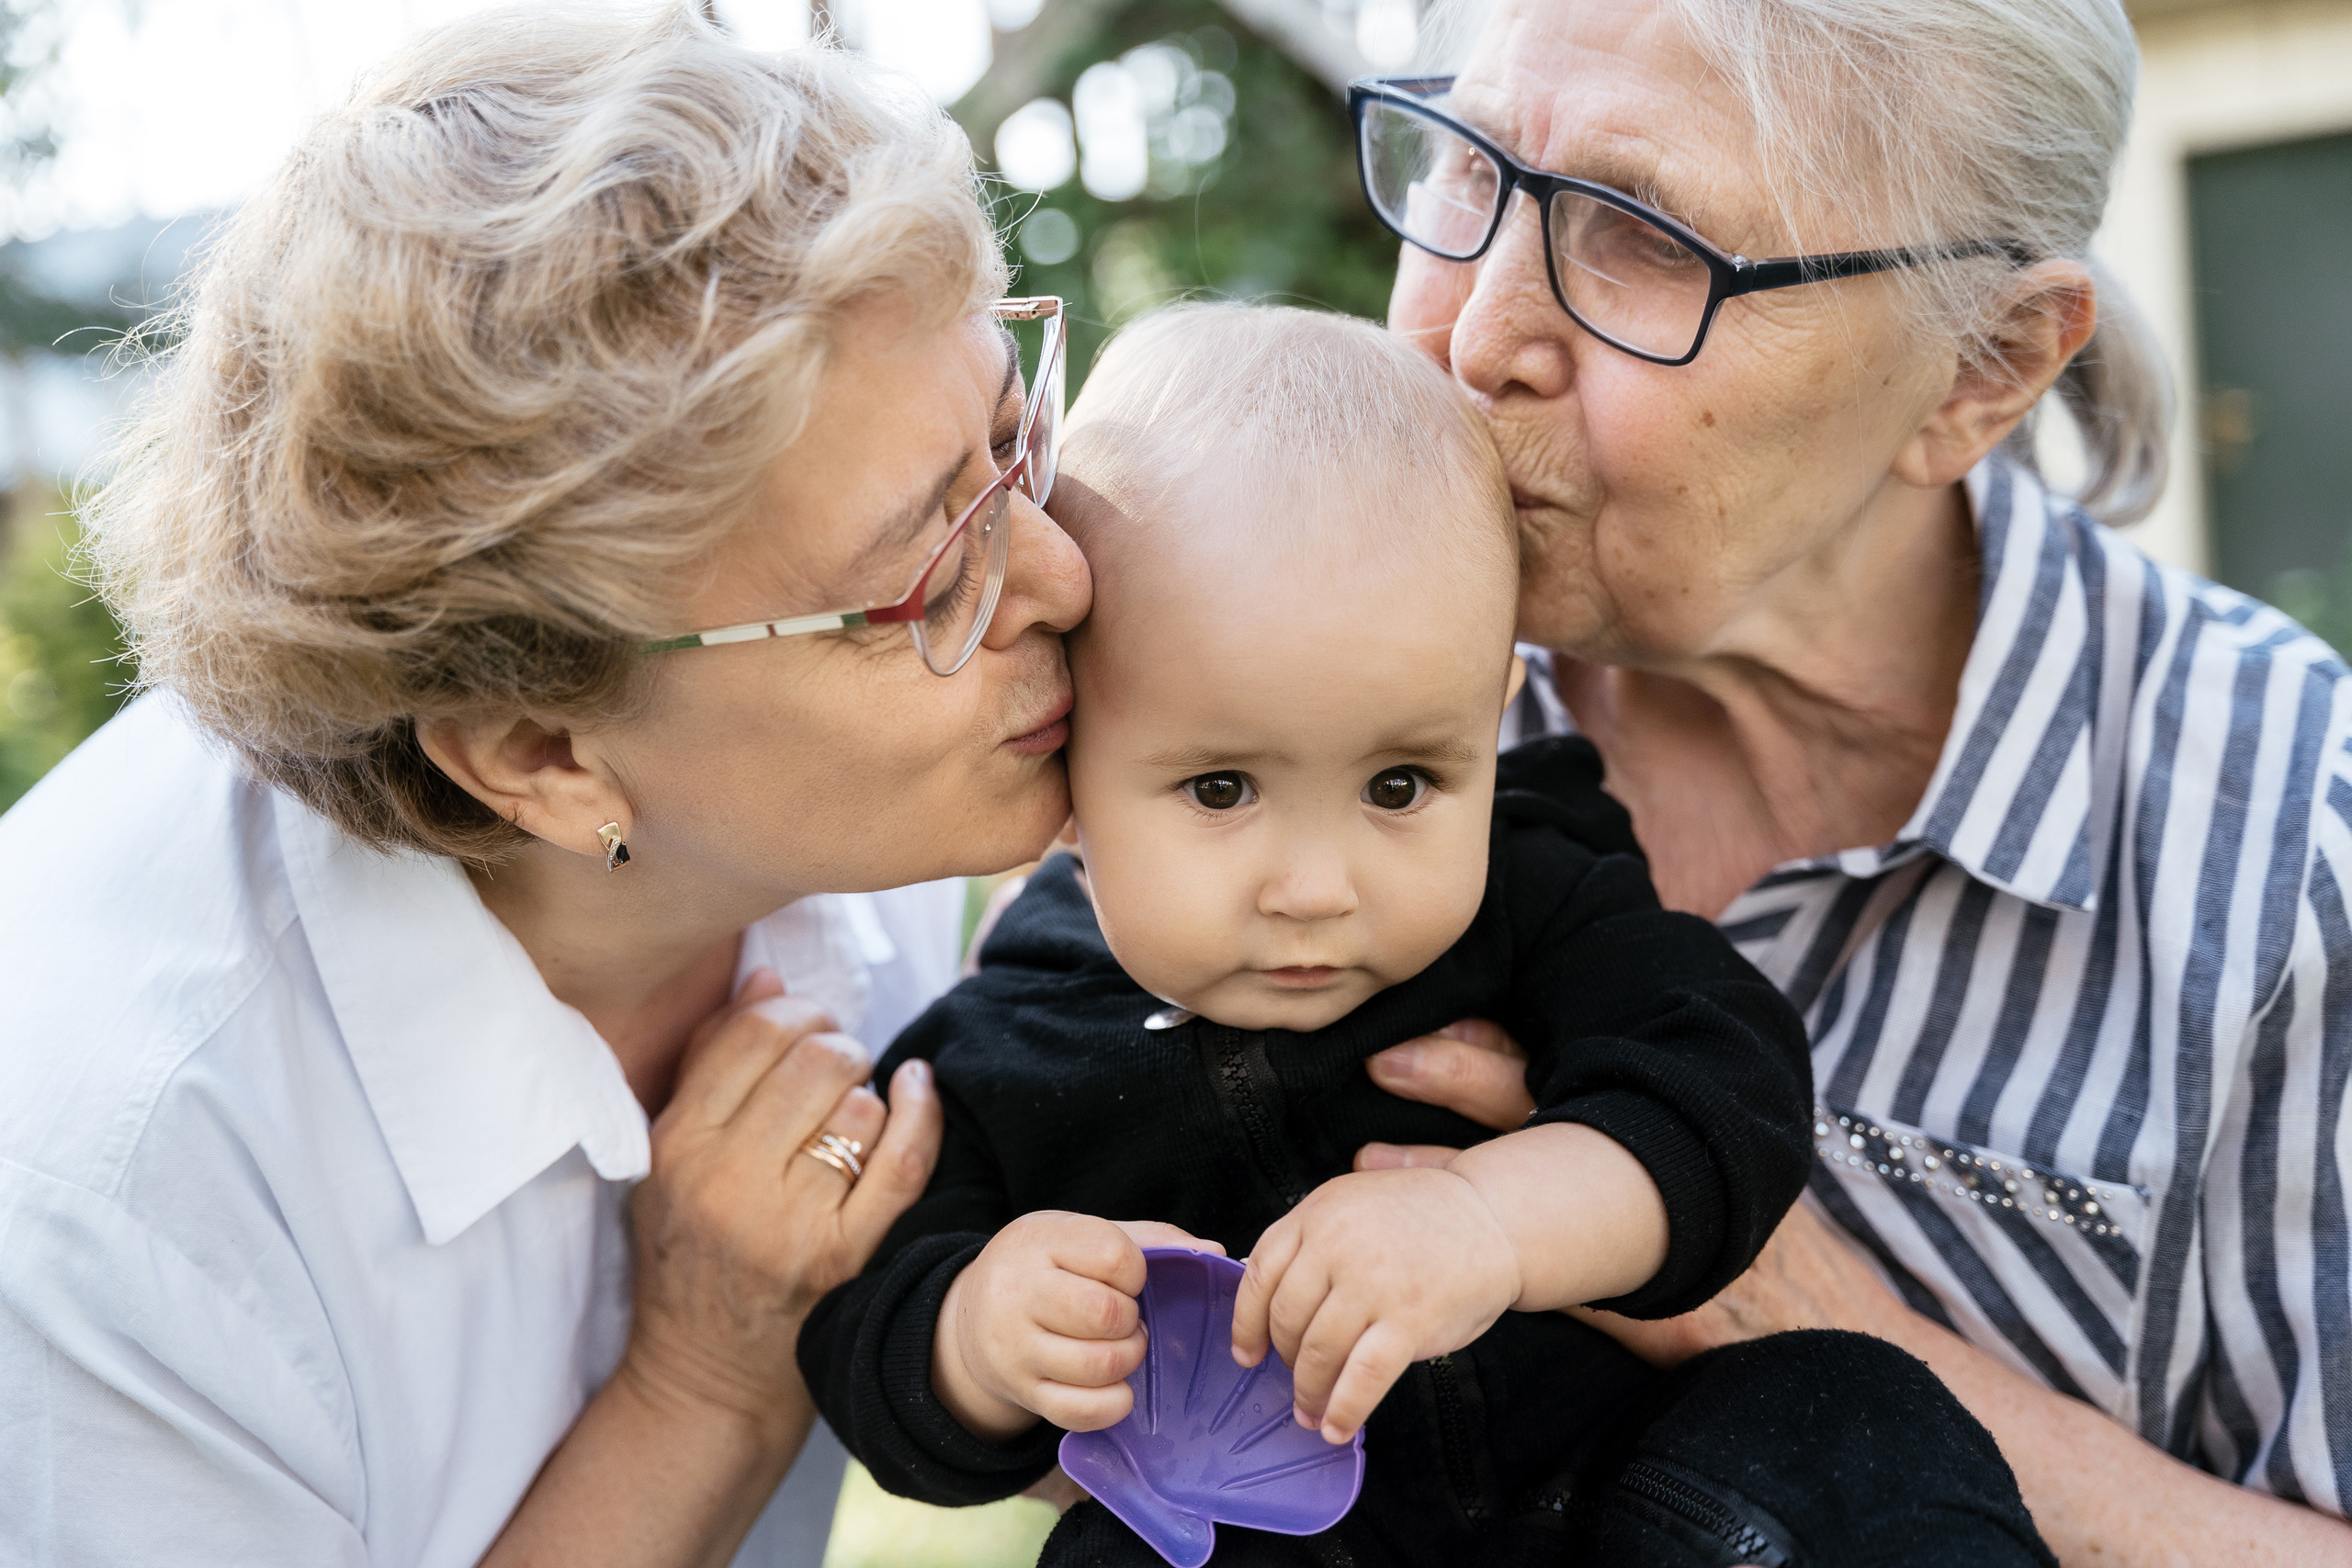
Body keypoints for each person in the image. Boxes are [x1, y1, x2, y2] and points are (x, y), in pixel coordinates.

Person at [0, 10, 1091, 1566]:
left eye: (1010, 432)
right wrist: (705, 1383)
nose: (1057, 568)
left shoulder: (905, 771)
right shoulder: (107, 1198)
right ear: (542, 755)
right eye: (929, 579)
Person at [802, 305, 2055, 1567]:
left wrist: (1494, 1224)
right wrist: (977, 1338)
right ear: (1068, 740)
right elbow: (864, 1342)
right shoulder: (1002, 1042)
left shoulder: (1535, 890)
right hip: (1270, 1532)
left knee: (1845, 1415)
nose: (1314, 886)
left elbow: (1726, 1090)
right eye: (1220, 788)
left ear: (1490, 714)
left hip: (1624, 1501)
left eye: (1401, 785)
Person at [1342, 0, 2352, 1559]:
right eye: (1472, 168)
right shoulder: (1311, 665)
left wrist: (1808, 1329)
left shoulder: (2297, 858)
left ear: (1985, 371)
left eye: (1639, 234)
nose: (1474, 339)